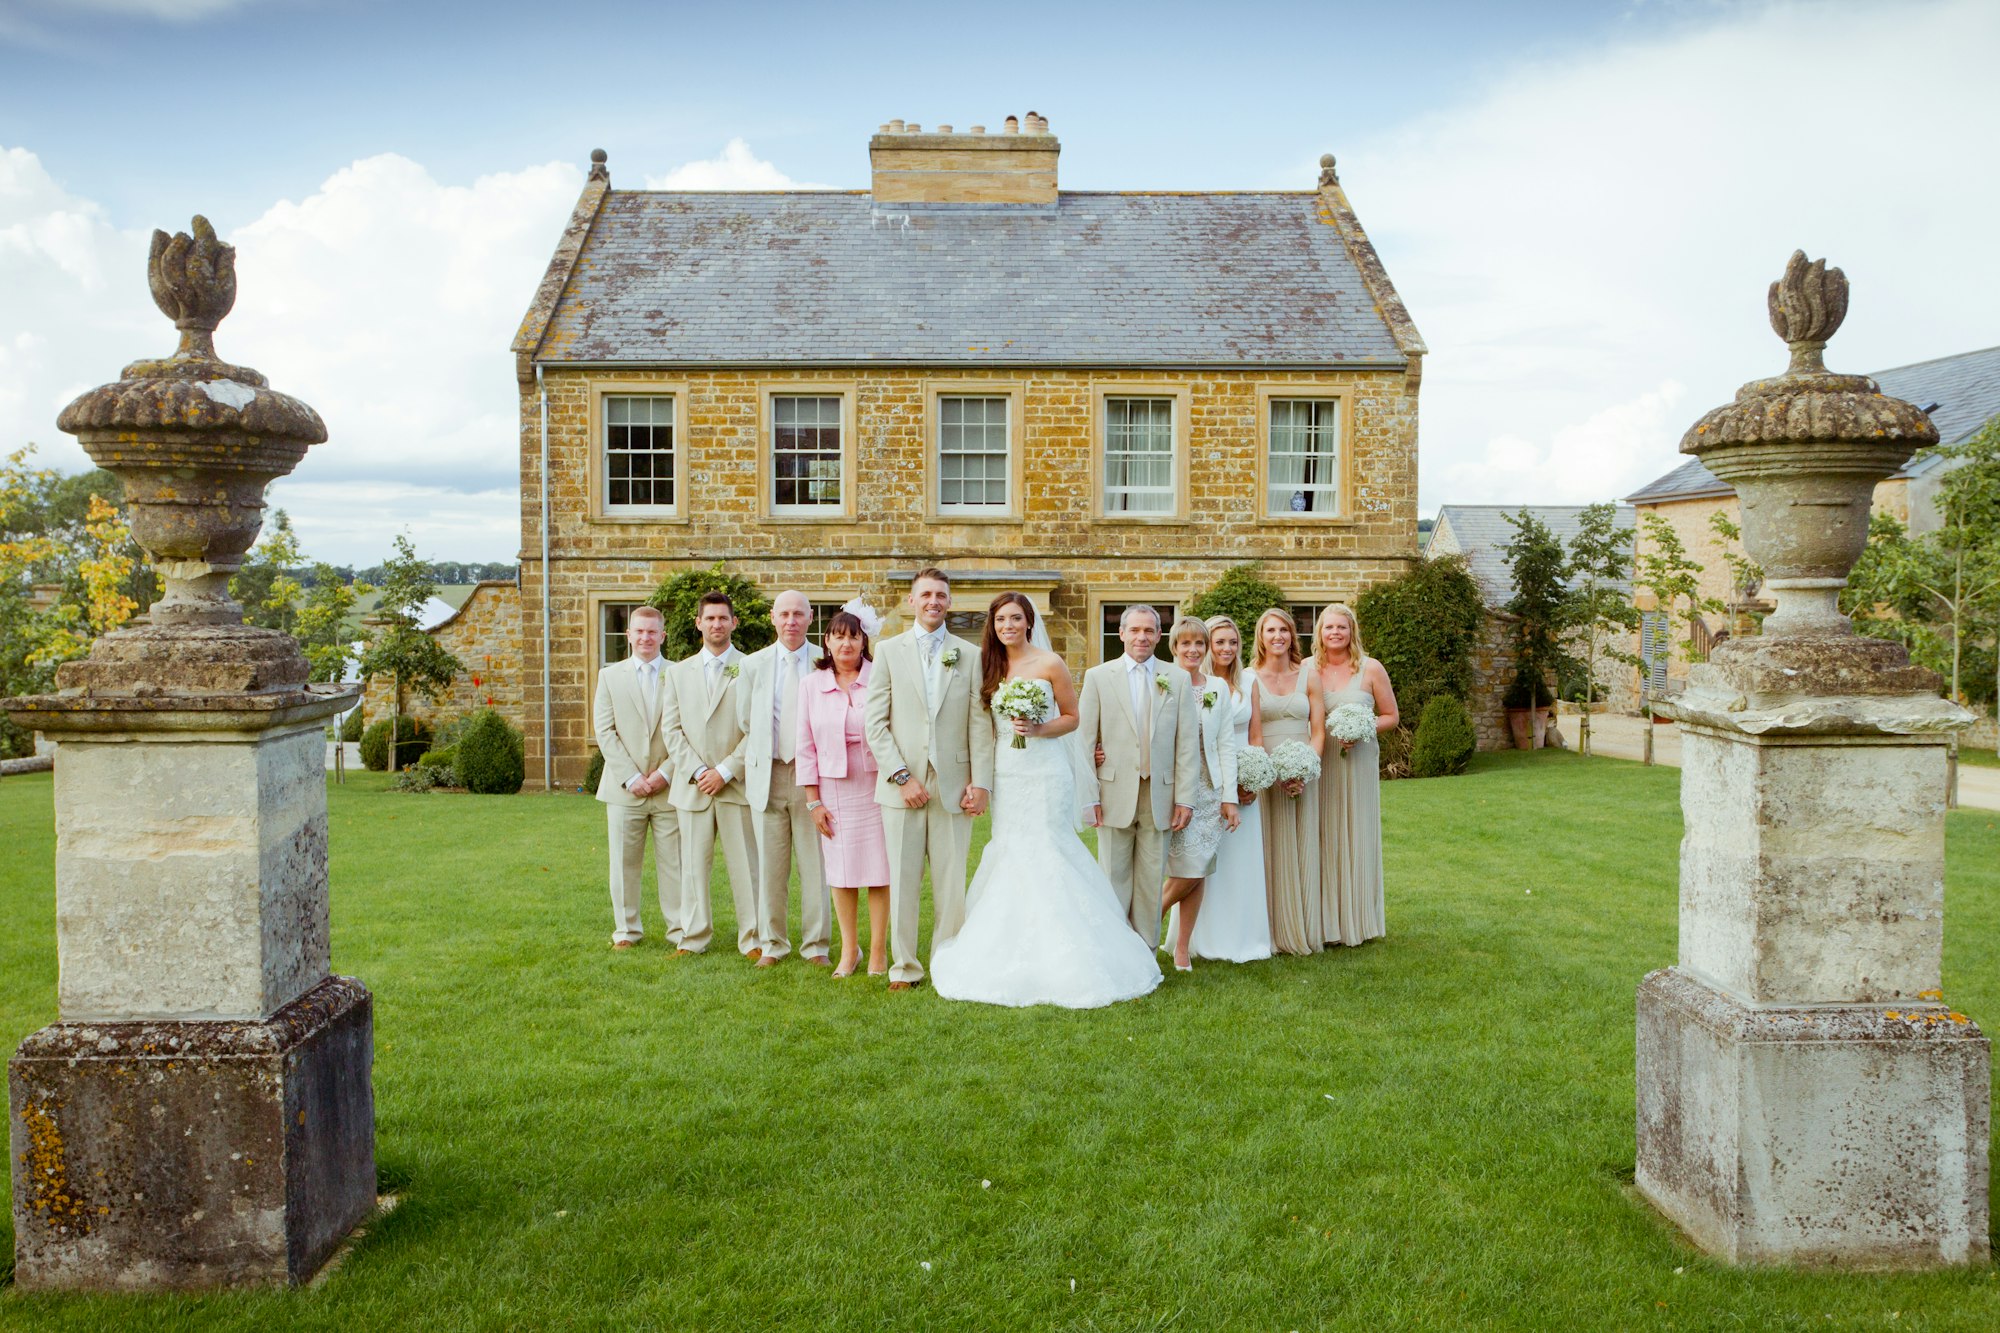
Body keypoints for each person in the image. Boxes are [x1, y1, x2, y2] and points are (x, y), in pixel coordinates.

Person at [930, 593, 1162, 1008]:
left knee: (1050, 849)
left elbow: (1073, 717)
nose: (1009, 626)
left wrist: (1039, 728)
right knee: (1011, 849)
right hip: (1007, 770)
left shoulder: (1049, 664)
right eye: (1001, 619)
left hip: (1046, 772)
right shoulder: (986, 665)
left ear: (1029, 622)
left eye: (1016, 618)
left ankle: (1074, 953)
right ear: (993, 624)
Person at [862, 567, 995, 992]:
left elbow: (980, 724)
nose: (933, 601)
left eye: (941, 594)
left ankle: (946, 962)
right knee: (902, 880)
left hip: (954, 784)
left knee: (951, 880)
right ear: (911, 600)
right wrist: (902, 777)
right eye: (926, 594)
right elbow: (875, 724)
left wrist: (981, 782)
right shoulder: (887, 651)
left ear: (949, 602)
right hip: (903, 785)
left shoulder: (970, 655)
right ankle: (904, 966)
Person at [1076, 605, 1200, 943]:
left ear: (1160, 636)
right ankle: (1117, 949)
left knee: (1150, 879)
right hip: (1112, 792)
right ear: (1122, 634)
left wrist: (1185, 798)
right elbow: (1084, 742)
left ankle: (1146, 952)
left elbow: (1186, 744)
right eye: (1135, 630)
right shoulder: (1098, 677)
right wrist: (1089, 797)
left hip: (1160, 793)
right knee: (1113, 877)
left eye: (1149, 631)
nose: (1142, 637)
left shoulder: (1177, 678)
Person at [660, 590, 760, 960]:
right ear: (697, 623)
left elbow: (759, 729)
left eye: (723, 618)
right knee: (691, 868)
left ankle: (753, 938)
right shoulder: (677, 673)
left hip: (736, 785)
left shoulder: (752, 667)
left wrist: (725, 770)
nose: (717, 624)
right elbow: (671, 730)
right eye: (710, 618)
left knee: (747, 866)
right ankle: (693, 936)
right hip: (693, 786)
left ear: (734, 622)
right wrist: (701, 770)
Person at [738, 591, 829, 968]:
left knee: (815, 868)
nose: (791, 621)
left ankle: (817, 946)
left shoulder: (823, 663)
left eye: (799, 614)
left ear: (810, 619)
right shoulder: (754, 665)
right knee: (770, 868)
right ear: (773, 618)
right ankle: (773, 944)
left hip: (812, 777)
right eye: (784, 614)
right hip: (769, 774)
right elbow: (745, 719)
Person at [798, 605, 890, 978]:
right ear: (827, 641)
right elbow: (804, 745)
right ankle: (849, 951)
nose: (846, 642)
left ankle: (880, 953)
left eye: (853, 635)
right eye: (838, 635)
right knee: (842, 872)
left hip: (877, 785)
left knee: (879, 871)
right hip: (834, 789)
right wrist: (813, 801)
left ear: (864, 640)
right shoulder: (810, 685)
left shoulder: (881, 677)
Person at [1176, 615, 1273, 963]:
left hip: (1241, 779)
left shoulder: (1249, 681)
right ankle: (1195, 938)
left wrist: (1253, 778)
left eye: (1233, 642)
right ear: (1206, 645)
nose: (1227, 648)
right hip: (1202, 779)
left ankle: (1240, 937)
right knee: (1200, 861)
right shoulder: (1192, 682)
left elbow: (1256, 735)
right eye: (1219, 642)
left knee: (1239, 862)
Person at [591, 604, 682, 951]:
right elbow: (605, 730)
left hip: (668, 789)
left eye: (652, 631)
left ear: (663, 635)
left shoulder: (679, 674)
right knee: (624, 865)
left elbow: (687, 730)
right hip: (623, 790)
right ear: (628, 635)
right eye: (639, 631)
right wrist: (630, 777)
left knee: (674, 864)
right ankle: (626, 931)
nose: (645, 637)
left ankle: (679, 932)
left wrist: (664, 774)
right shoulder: (609, 676)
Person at [1310, 603, 1397, 947]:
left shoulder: (1371, 668)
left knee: (1357, 833)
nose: (1335, 633)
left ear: (1352, 632)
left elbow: (1391, 715)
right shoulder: (1307, 669)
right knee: (1325, 834)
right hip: (1323, 760)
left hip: (1359, 759)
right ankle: (1326, 922)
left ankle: (1358, 921)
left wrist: (1365, 726)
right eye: (1329, 627)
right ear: (1320, 632)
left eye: (1341, 628)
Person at [1158, 616, 1241, 972]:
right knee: (1185, 868)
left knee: (1199, 867)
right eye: (1185, 644)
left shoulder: (1217, 688)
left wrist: (1230, 796)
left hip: (1209, 790)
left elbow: (1225, 742)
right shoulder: (1161, 682)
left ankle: (1180, 947)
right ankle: (1146, 923)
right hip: (1172, 789)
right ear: (1174, 648)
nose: (1193, 650)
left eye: (1199, 644)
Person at [1251, 607, 1325, 956]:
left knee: (1303, 848)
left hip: (1303, 776)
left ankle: (1303, 928)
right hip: (1266, 775)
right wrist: (1271, 773)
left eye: (1284, 630)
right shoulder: (1248, 677)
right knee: (1268, 849)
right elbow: (1251, 734)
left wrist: (1305, 769)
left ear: (1293, 635)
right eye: (1270, 631)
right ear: (1260, 638)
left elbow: (1319, 730)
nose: (1278, 636)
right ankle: (1268, 931)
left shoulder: (1308, 675)